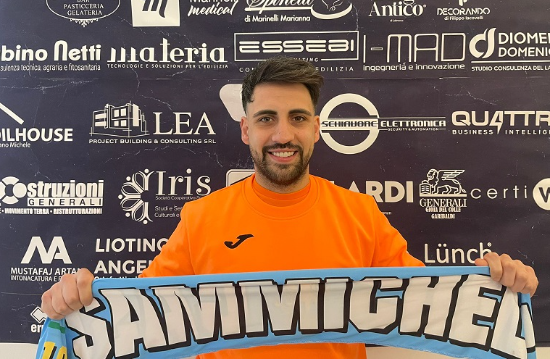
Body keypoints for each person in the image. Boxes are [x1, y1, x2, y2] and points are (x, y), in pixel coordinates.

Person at [41, 57, 538, 358]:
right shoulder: (200, 217)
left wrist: (497, 289)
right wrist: (73, 304)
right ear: (246, 130)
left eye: (297, 118)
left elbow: (432, 304)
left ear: (316, 128)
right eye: (266, 119)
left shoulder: (360, 214)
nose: (282, 134)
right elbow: (135, 315)